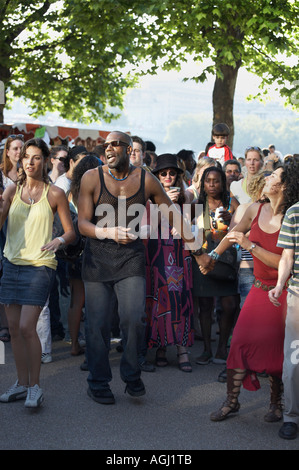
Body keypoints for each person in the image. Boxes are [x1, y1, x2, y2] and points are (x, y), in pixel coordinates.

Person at [78, 131, 202, 405]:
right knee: (97, 324)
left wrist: (199, 250)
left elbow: (174, 215)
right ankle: (98, 382)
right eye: (106, 145)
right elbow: (83, 224)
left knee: (134, 318)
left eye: (115, 144)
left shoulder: (147, 180)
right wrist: (109, 233)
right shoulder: (91, 178)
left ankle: (132, 375)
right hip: (97, 260)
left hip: (131, 258)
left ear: (129, 150)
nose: (109, 149)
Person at [208, 163, 299, 423]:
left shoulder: (292, 217)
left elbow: (285, 263)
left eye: (273, 176)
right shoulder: (254, 208)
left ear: (284, 185)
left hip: (284, 293)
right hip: (259, 290)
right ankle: (231, 402)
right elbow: (234, 234)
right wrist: (214, 255)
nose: (267, 177)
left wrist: (251, 246)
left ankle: (276, 403)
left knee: (277, 351)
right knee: (239, 343)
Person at [0, 138, 75, 408]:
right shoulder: (11, 190)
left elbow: (70, 231)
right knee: (13, 330)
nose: (30, 162)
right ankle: (21, 383)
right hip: (11, 264)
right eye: (26, 157)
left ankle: (35, 387)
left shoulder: (54, 193)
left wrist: (59, 241)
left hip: (40, 265)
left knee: (26, 328)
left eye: (36, 158)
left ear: (46, 161)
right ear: (20, 162)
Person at [144, 153, 194, 372]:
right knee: (159, 299)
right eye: (163, 173)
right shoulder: (148, 201)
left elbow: (193, 231)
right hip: (156, 256)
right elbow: (146, 229)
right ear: (156, 176)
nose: (167, 176)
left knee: (180, 298)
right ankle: (161, 347)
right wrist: (164, 203)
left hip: (180, 256)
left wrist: (177, 210)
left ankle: (182, 349)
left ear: (177, 176)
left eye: (171, 173)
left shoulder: (187, 200)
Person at [193, 166, 239, 366]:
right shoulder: (197, 204)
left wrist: (232, 221)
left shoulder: (231, 203)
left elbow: (243, 226)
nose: (212, 185)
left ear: (223, 182)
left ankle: (222, 348)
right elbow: (188, 232)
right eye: (208, 181)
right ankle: (206, 349)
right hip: (202, 260)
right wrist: (197, 256)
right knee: (205, 306)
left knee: (229, 305)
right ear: (203, 183)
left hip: (226, 261)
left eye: (216, 181)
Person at [269, 161, 299, 439]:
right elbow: (287, 256)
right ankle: (291, 416)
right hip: (297, 295)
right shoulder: (294, 213)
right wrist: (280, 284)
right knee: (294, 359)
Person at [67, 154, 99, 356]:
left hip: (72, 251)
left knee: (75, 301)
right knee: (95, 301)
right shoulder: (94, 191)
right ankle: (93, 345)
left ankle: (73, 345)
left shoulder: (71, 193)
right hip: (93, 249)